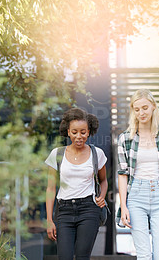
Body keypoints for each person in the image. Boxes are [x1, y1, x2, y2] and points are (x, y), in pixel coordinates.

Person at [116, 89, 159, 260]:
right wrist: (124, 205)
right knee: (144, 255)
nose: (141, 113)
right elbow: (123, 174)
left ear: (153, 107)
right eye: (137, 109)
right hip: (136, 196)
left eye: (145, 108)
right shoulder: (125, 138)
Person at [45, 108, 108, 260]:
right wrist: (49, 220)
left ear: (89, 131)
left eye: (83, 132)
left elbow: (104, 180)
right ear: (68, 132)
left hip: (89, 210)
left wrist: (102, 196)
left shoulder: (97, 153)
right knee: (64, 257)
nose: (79, 136)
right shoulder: (57, 154)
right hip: (64, 211)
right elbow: (50, 188)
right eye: (74, 132)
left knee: (82, 257)